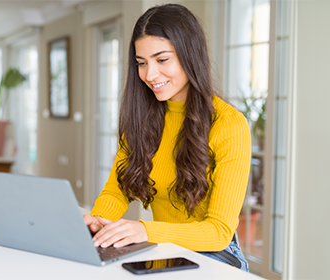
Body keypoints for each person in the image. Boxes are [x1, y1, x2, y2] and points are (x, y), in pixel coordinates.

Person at [83, 4, 251, 272]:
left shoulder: (229, 124)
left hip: (213, 260)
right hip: (164, 253)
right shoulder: (140, 119)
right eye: (141, 63)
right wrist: (96, 222)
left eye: (162, 60)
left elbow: (218, 232)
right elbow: (117, 191)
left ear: (190, 54)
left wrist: (143, 230)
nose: (150, 75)